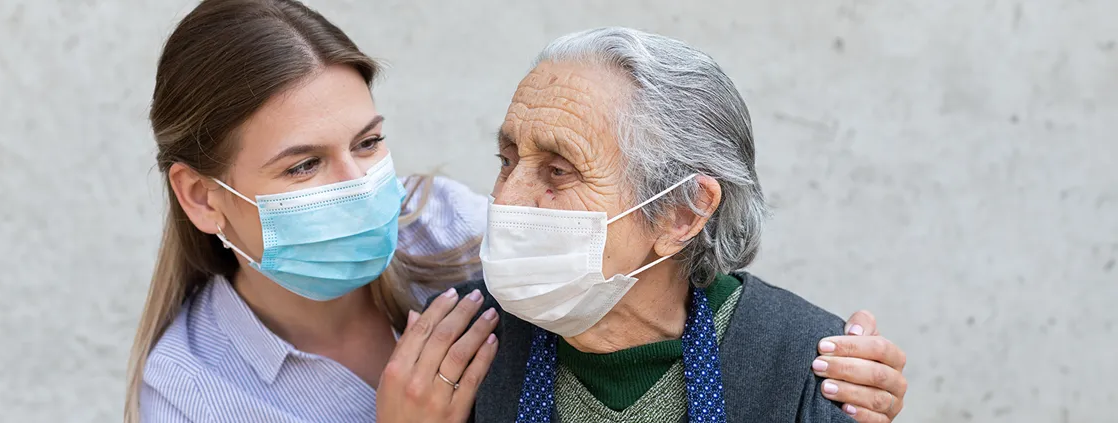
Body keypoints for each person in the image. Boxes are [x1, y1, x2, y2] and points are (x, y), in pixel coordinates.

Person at [125, 1, 907, 422]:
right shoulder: (189, 392)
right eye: (303, 164)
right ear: (201, 195)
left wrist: (836, 376)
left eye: (368, 143)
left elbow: (649, 264)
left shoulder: (456, 233)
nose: (509, 204)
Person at [407, 27, 909, 423]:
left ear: (681, 213)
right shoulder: (457, 346)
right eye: (507, 160)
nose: (506, 198)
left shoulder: (807, 369)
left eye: (558, 172)